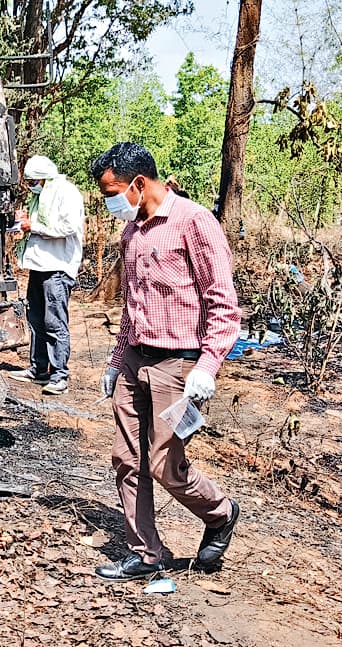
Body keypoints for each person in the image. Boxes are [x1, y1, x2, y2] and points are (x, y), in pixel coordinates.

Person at [88, 142, 242, 580]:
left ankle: (220, 512)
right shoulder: (131, 231)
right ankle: (146, 553)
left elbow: (222, 303)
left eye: (111, 192)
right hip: (136, 360)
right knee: (126, 459)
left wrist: (208, 365)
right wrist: (117, 361)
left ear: (138, 183)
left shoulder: (194, 222)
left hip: (179, 366)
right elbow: (130, 305)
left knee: (163, 464)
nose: (110, 203)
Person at [7, 155, 84, 395]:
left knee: (55, 322)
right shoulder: (39, 197)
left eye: (33, 180)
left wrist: (35, 227)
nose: (31, 184)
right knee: (37, 319)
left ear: (45, 177)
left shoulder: (66, 193)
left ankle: (59, 374)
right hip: (39, 266)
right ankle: (39, 368)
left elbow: (69, 227)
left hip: (58, 267)